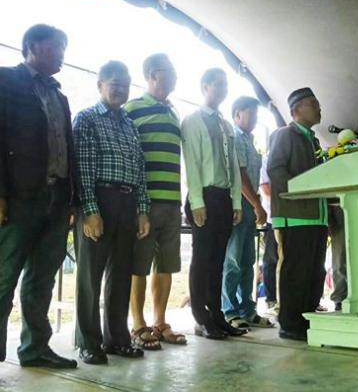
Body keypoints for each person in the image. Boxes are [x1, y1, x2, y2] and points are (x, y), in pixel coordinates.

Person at [0, 24, 77, 369]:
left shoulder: (60, 96)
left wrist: (72, 200)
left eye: (64, 48)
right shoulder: (6, 81)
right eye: (56, 46)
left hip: (56, 199)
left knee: (41, 279)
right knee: (4, 277)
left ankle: (35, 348)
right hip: (19, 199)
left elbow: (68, 150)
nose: (62, 54)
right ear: (32, 46)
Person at [73, 61, 150, 365]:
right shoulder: (87, 118)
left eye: (125, 84)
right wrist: (90, 211)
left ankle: (117, 339)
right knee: (90, 277)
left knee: (120, 275)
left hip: (127, 202)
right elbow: (83, 169)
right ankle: (88, 342)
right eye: (114, 83)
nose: (120, 89)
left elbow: (140, 171)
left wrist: (142, 211)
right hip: (99, 200)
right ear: (100, 85)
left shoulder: (130, 124)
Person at [125, 54, 186, 350]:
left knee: (167, 265)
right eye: (170, 71)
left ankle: (160, 322)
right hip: (145, 204)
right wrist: (139, 205)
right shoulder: (132, 109)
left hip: (172, 202)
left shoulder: (173, 112)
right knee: (139, 265)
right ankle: (138, 324)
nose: (175, 77)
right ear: (153, 74)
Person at [182, 68, 246, 339]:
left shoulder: (225, 124)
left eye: (225, 85)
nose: (223, 89)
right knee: (202, 259)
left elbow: (233, 167)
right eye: (218, 84)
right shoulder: (193, 121)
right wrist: (196, 201)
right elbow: (192, 163)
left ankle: (217, 315)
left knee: (218, 260)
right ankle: (201, 317)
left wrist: (236, 201)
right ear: (204, 86)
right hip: (203, 196)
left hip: (223, 197)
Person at [268, 87, 328, 341]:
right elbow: (275, 169)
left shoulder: (314, 140)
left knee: (315, 271)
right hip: (295, 215)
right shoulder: (285, 134)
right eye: (313, 103)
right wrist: (299, 193)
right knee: (296, 271)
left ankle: (307, 318)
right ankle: (290, 324)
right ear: (296, 110)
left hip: (318, 215)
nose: (318, 107)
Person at [222, 96, 273, 328]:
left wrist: (256, 205)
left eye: (256, 114)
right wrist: (257, 204)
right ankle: (229, 310)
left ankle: (247, 310)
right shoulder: (234, 137)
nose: (254, 118)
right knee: (232, 259)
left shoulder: (250, 142)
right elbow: (240, 177)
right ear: (237, 114)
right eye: (250, 113)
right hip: (239, 203)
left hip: (251, 205)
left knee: (248, 260)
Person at [259, 156, 280, 315]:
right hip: (273, 217)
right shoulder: (266, 161)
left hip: (289, 217)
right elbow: (265, 189)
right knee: (271, 259)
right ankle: (271, 299)